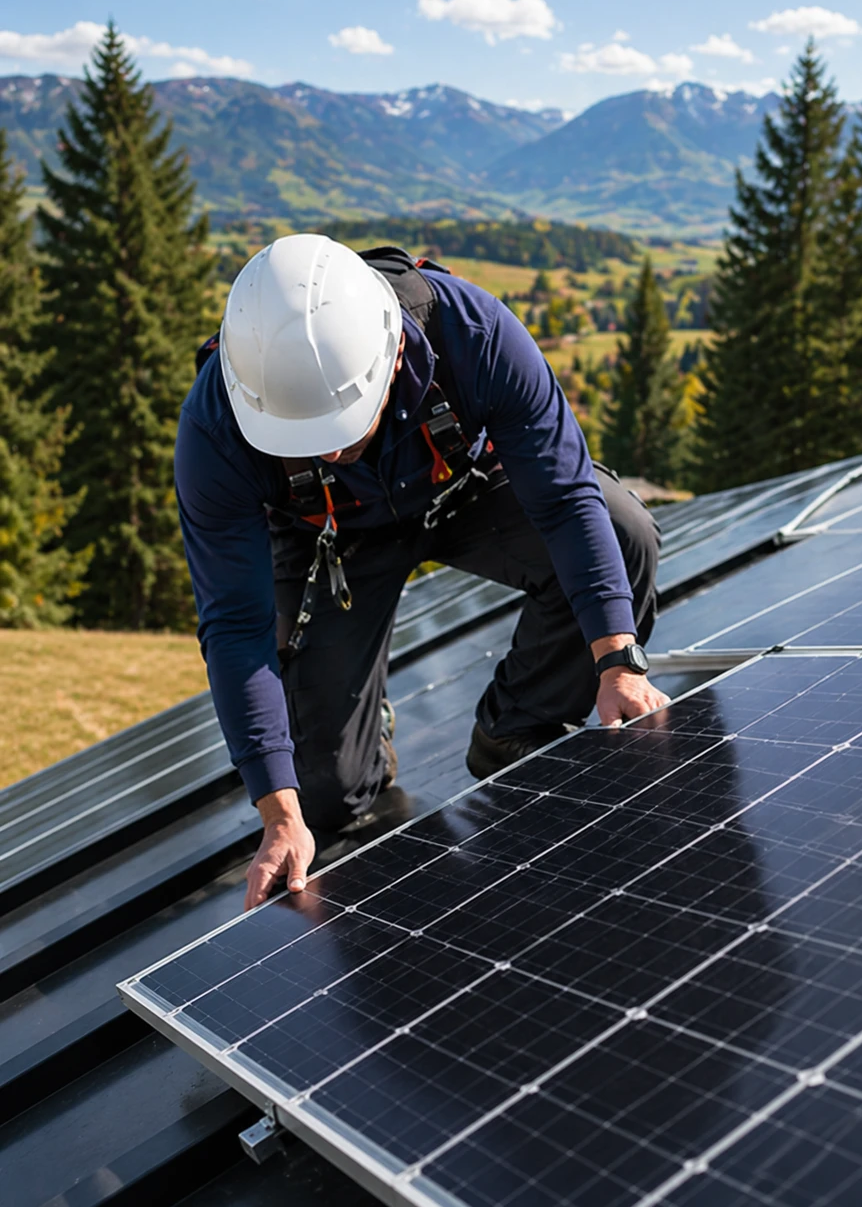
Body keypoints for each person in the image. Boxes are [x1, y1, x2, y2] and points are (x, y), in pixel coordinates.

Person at [175, 234, 668, 913]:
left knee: (624, 531)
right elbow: (235, 625)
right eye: (307, 438)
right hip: (328, 537)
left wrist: (617, 663)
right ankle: (355, 726)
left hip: (461, 487)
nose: (331, 449)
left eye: (342, 429)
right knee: (324, 797)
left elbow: (562, 500)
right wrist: (277, 809)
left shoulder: (472, 332)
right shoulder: (215, 428)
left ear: (390, 355)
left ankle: (514, 725)